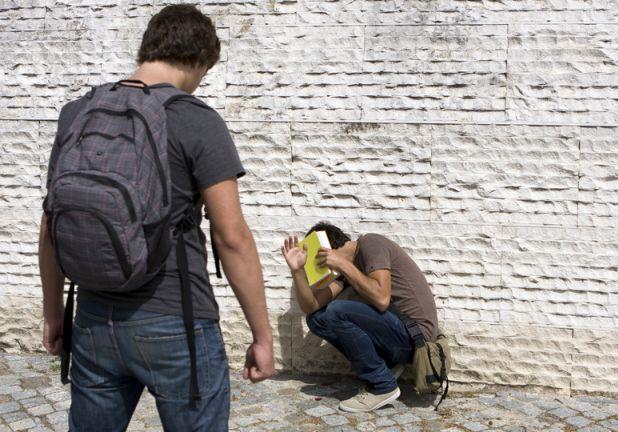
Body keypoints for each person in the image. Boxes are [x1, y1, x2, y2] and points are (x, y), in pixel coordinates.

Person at [38, 5, 274, 431]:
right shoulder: (194, 118)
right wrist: (262, 336)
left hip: (92, 320)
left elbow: (50, 226)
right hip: (176, 321)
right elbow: (232, 236)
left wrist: (54, 315)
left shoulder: (77, 113)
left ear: (147, 48)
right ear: (200, 60)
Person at [281, 222, 438, 412]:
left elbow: (381, 299)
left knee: (337, 310)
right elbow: (311, 306)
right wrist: (297, 272)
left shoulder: (371, 244)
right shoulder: (348, 271)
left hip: (417, 338)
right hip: (399, 336)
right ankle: (386, 367)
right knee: (317, 319)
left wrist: (342, 264)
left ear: (327, 249)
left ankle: (382, 385)